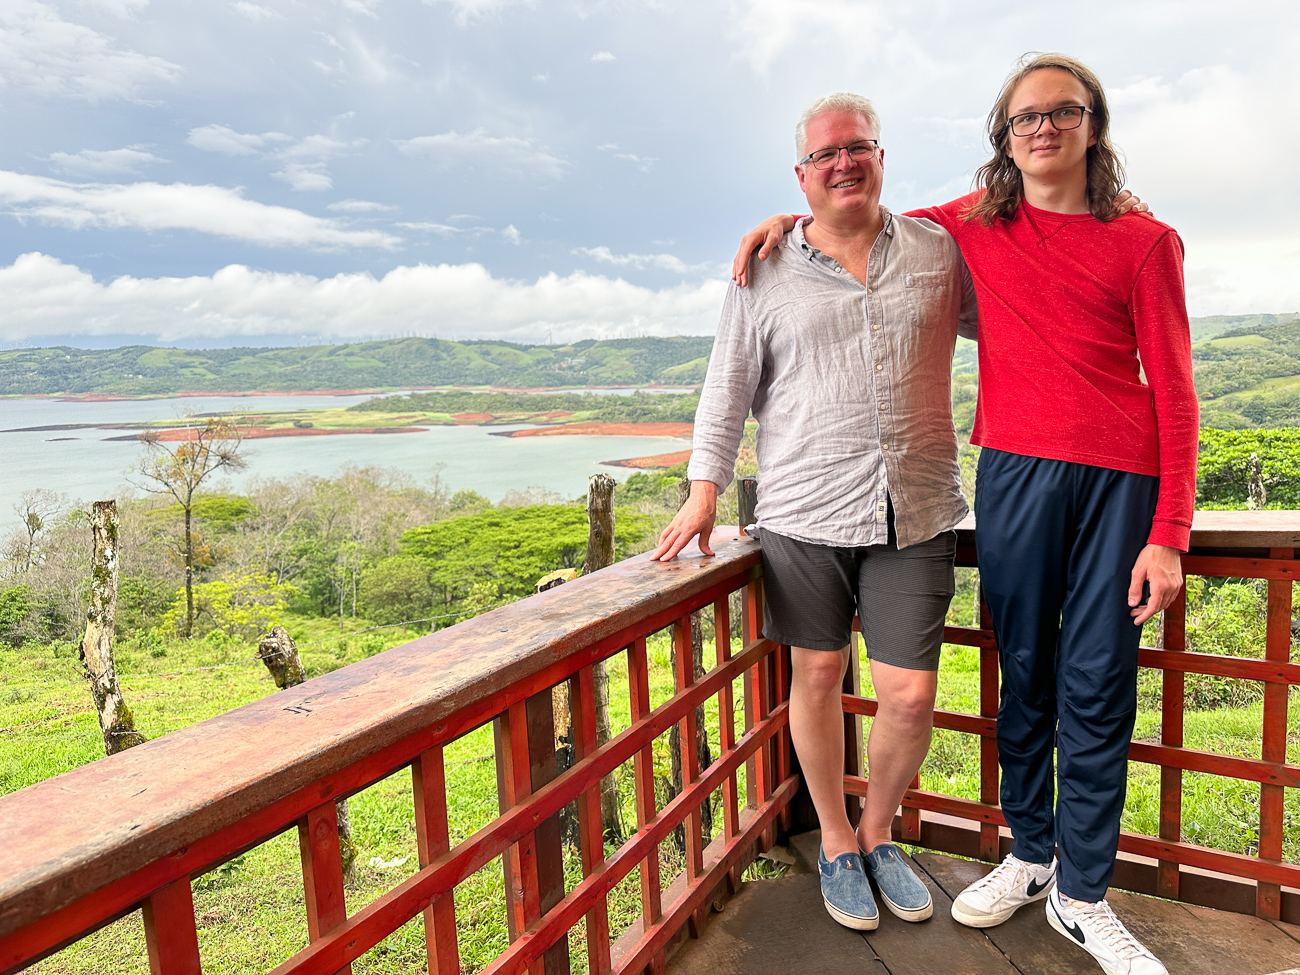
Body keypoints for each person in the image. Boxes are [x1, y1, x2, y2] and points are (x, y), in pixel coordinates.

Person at [734, 53, 1197, 975]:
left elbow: (1177, 393)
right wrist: (788, 224)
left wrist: (1169, 534)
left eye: (1062, 112)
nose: (1043, 128)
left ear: (1094, 125)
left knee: (1098, 679)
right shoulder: (972, 227)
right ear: (1005, 137)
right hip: (1014, 472)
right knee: (1022, 669)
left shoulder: (1147, 241)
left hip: (1120, 481)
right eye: (1025, 117)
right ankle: (1032, 853)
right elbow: (864, 224)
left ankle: (1083, 894)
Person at [654, 91, 977, 933]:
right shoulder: (764, 270)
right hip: (803, 509)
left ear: (881, 156)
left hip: (916, 506)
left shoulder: (940, 252)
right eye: (825, 154)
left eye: (857, 147)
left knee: (910, 693)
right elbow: (728, 385)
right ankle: (835, 837)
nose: (843, 163)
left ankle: (879, 832)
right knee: (820, 674)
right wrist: (703, 488)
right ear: (800, 174)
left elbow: (1015, 301)